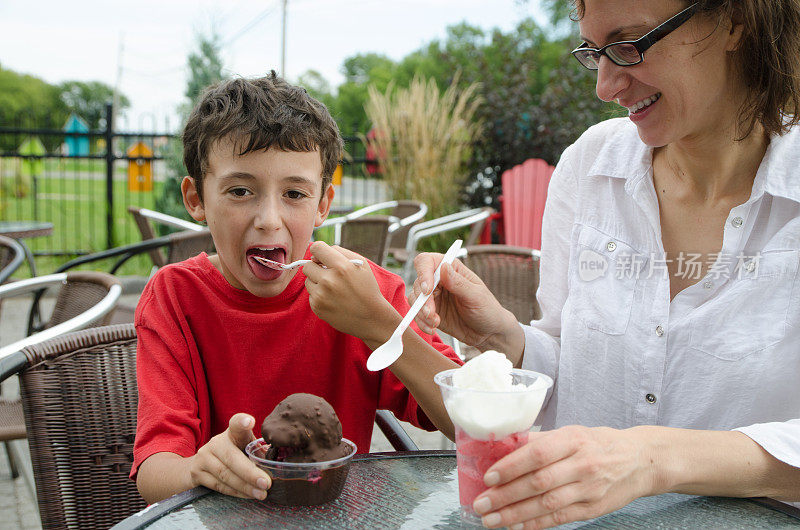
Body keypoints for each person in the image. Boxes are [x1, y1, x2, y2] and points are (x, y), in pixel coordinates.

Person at [410, 1, 800, 527]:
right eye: (595, 52)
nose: (606, 85)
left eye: (629, 45)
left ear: (734, 20)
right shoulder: (590, 167)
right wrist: (505, 338)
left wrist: (650, 460)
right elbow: (571, 371)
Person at [132, 73, 461, 504]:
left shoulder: (364, 293)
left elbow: (469, 420)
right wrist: (197, 468)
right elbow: (153, 472)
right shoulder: (174, 297)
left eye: (294, 193)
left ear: (323, 204)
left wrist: (378, 325)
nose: (269, 219)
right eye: (240, 190)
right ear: (195, 199)